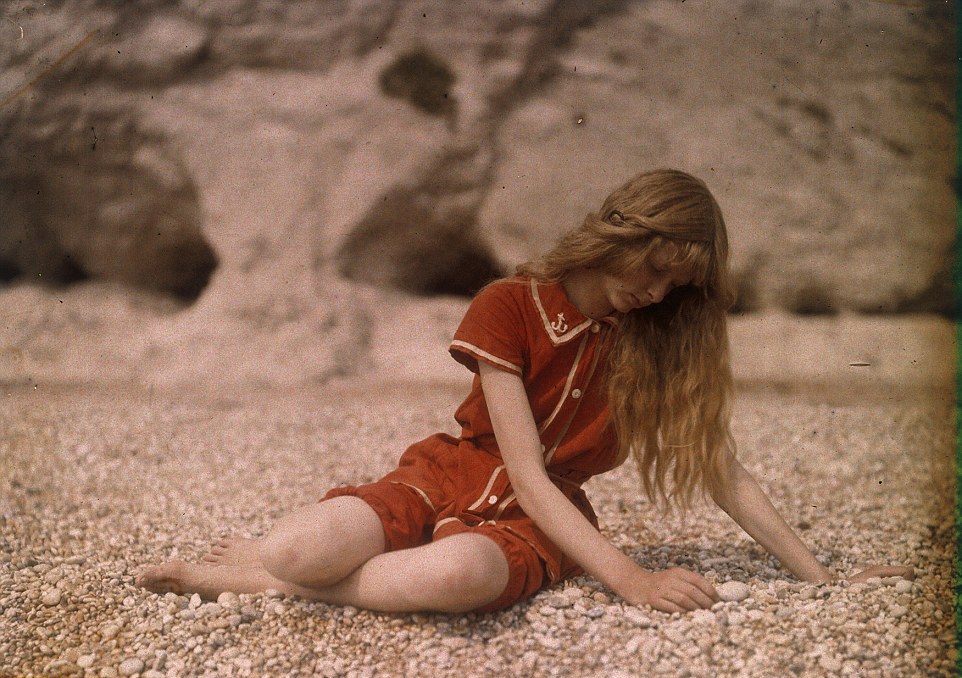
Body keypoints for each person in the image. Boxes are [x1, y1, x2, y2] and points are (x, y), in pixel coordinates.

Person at [137, 169, 912, 614]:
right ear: (619, 236)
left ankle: (269, 584)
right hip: (447, 473)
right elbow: (524, 469)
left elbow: (721, 469)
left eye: (678, 283)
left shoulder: (658, 339)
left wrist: (824, 579)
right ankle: (279, 568)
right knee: (294, 546)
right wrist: (631, 577)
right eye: (654, 268)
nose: (658, 292)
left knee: (455, 576)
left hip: (541, 521)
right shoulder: (509, 305)